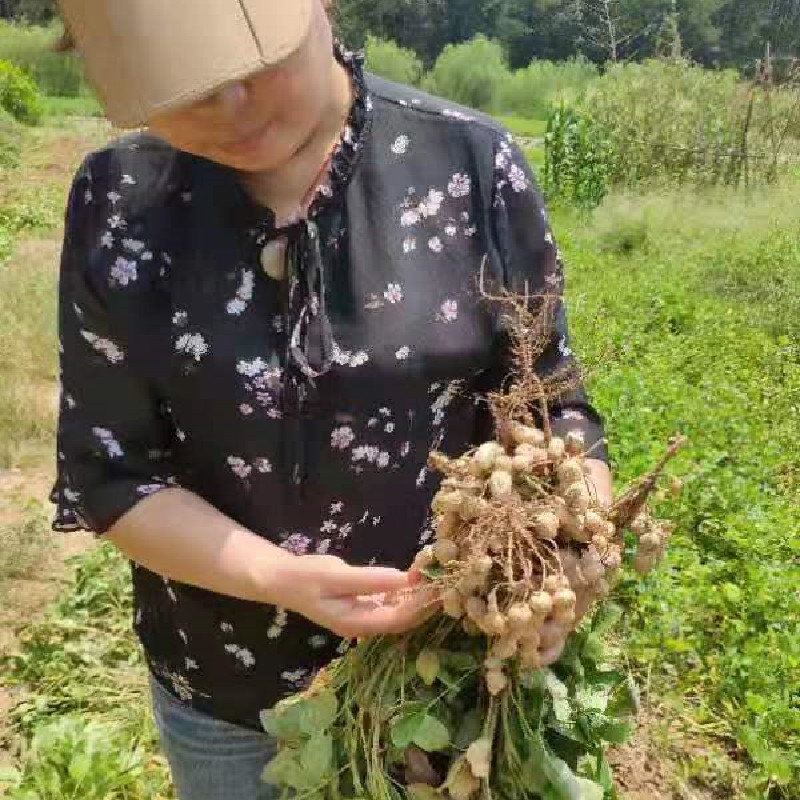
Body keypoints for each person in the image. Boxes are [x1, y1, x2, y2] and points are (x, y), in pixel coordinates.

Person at [52, 2, 613, 798]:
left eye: (254, 70)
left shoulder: (470, 165)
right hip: (222, 692)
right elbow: (111, 472)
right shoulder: (120, 203)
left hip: (447, 680)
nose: (231, 112)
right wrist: (277, 577)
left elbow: (556, 408)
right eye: (188, 90)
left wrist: (560, 561)